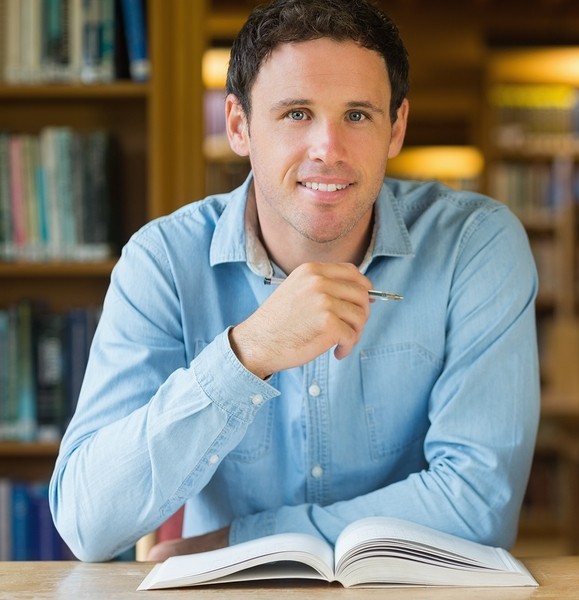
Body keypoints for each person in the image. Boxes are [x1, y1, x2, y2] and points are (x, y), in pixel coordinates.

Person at [50, 0, 539, 562]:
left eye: (358, 115)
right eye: (296, 113)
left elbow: (479, 505)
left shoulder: (475, 245)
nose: (328, 149)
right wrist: (248, 352)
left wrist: (243, 541)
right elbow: (88, 524)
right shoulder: (162, 261)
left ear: (395, 127)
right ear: (240, 127)